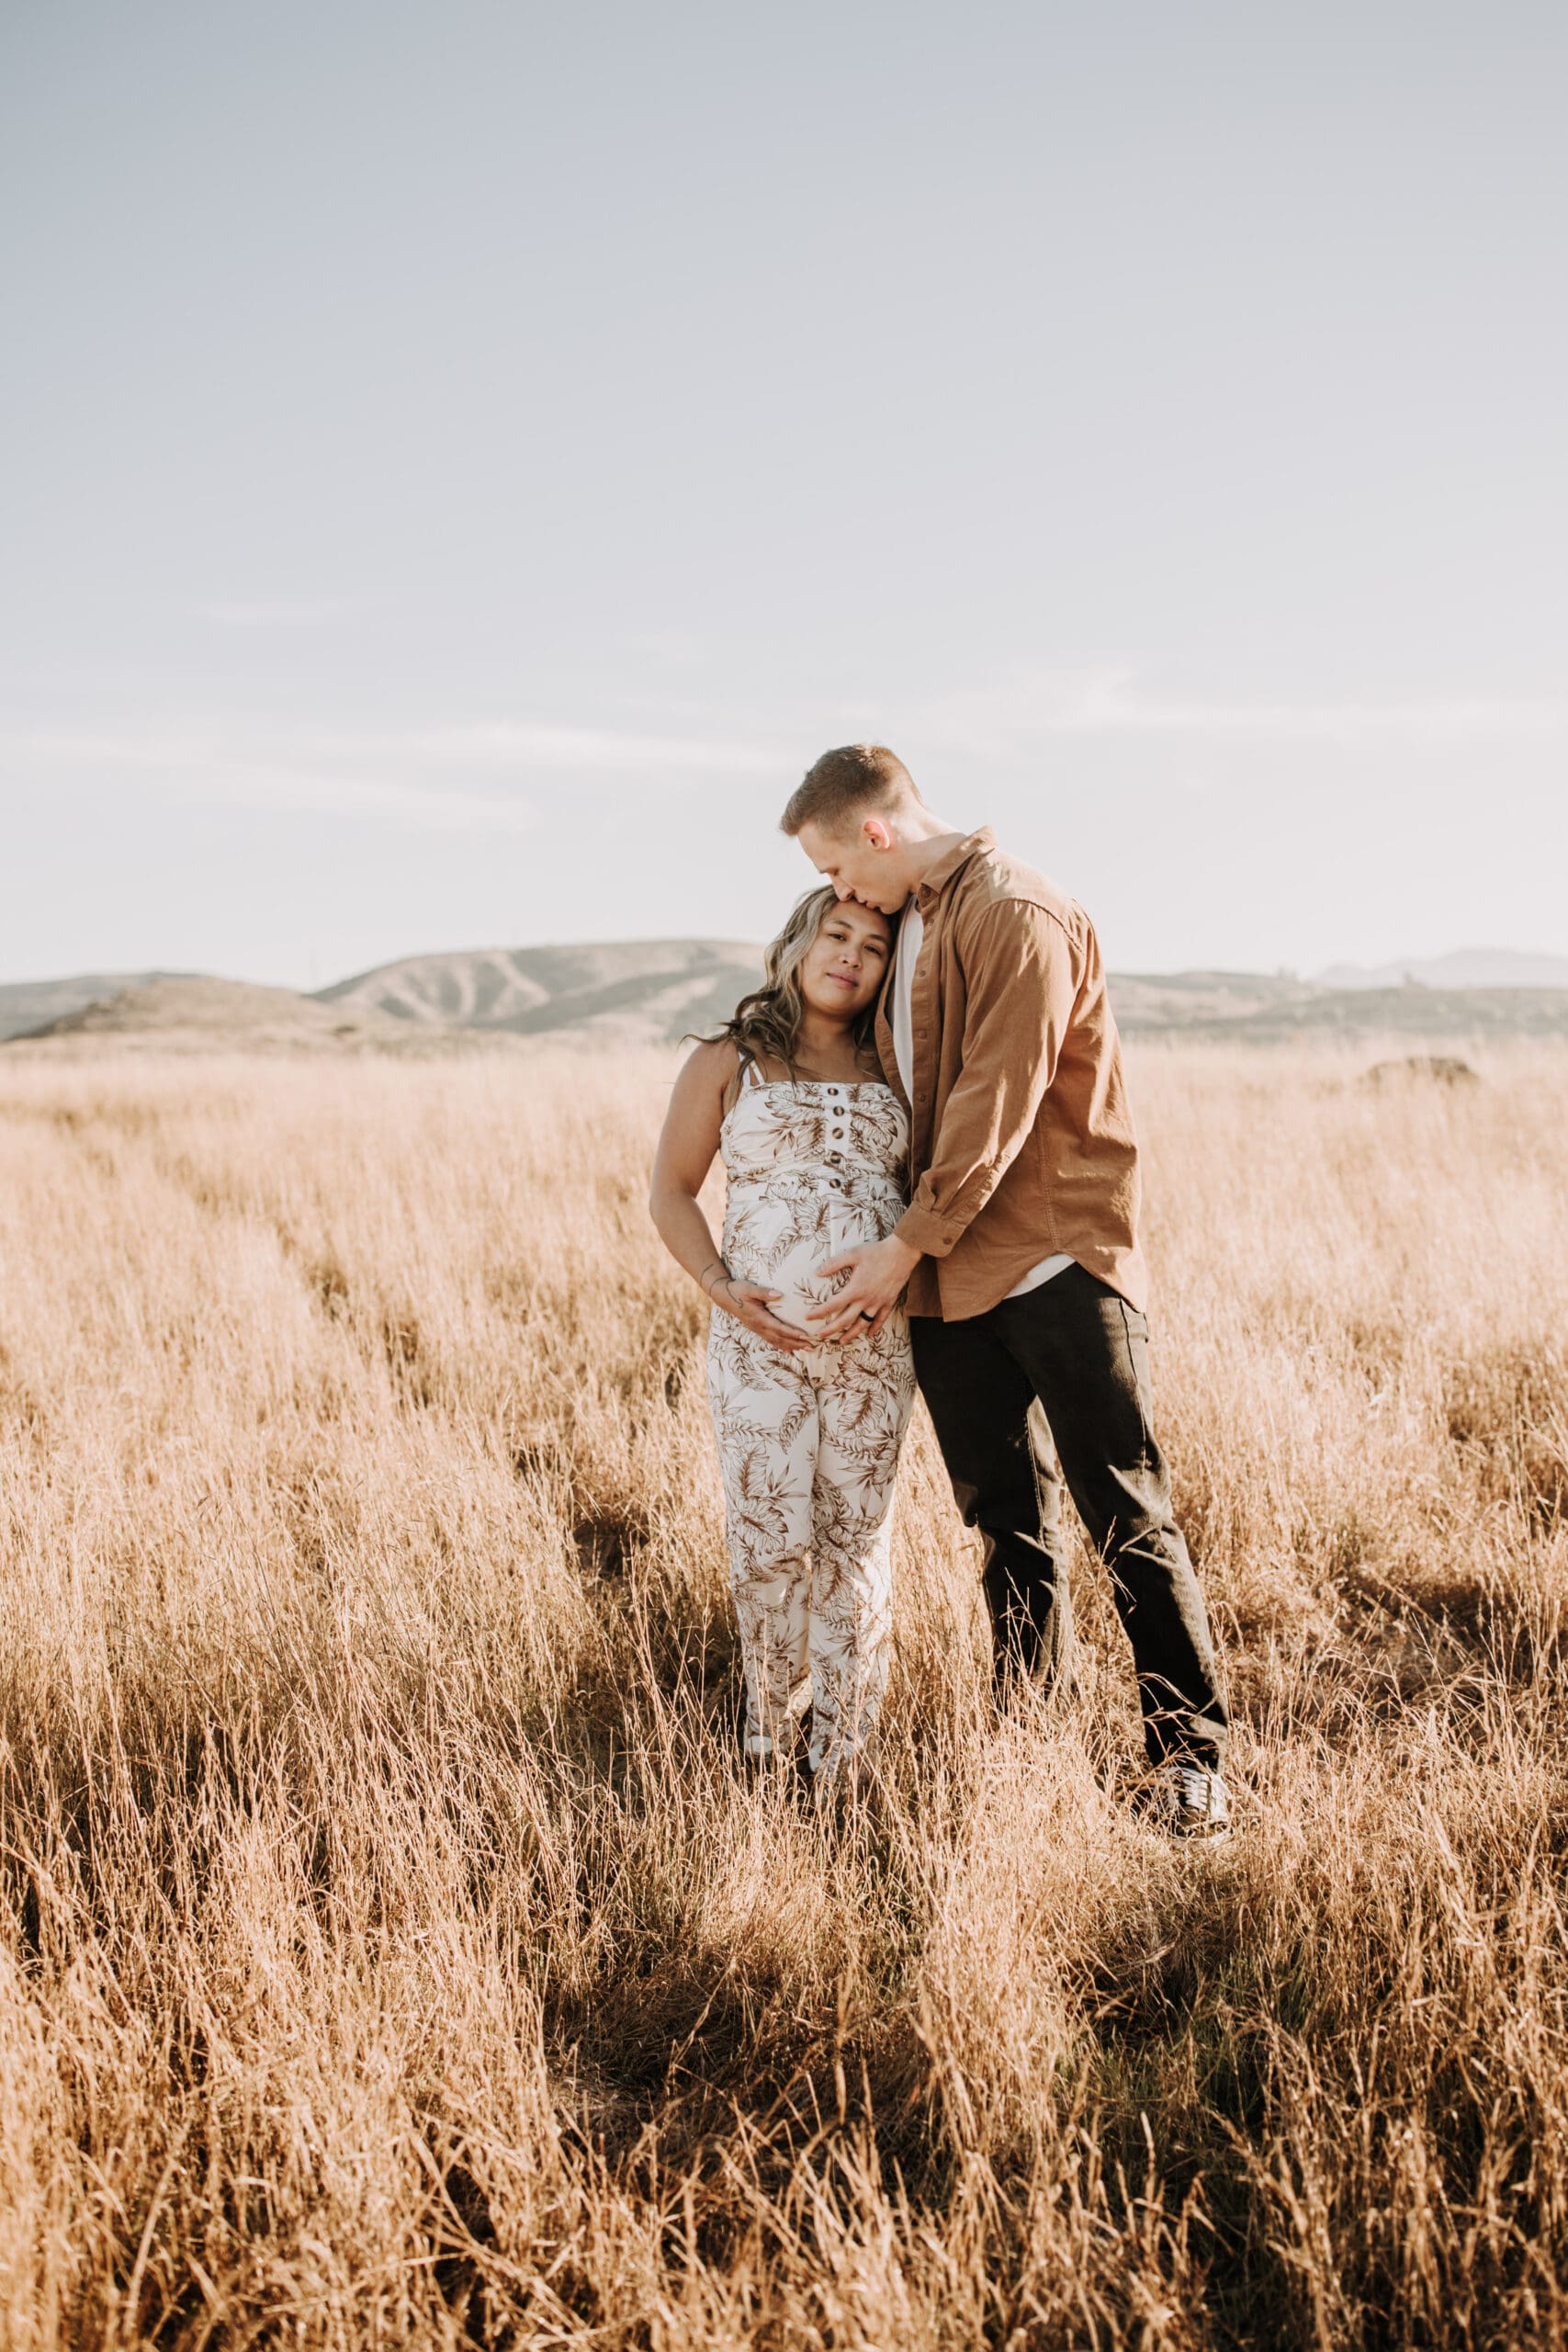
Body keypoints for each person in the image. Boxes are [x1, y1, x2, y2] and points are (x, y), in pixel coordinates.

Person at [782, 743, 1234, 1839]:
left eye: (839, 869)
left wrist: (901, 1247)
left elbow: (997, 1099)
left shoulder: (1017, 907)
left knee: (1124, 1509)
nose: (841, 895)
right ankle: (1027, 1746)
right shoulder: (915, 926)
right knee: (1005, 1525)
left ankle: (1192, 1762)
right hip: (945, 1283)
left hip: (1049, 1259)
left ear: (876, 833)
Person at [649, 886, 917, 1798]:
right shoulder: (733, 1059)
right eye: (835, 934)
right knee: (769, 1537)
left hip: (876, 1349)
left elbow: (934, 1194)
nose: (851, 955)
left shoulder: (902, 1065)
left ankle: (841, 1753)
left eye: (874, 947)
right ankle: (770, 1731)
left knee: (858, 1542)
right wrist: (721, 1288)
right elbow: (673, 1192)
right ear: (799, 943)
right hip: (759, 1346)